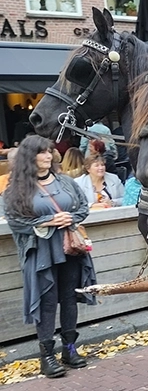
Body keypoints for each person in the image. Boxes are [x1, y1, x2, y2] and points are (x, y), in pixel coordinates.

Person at [1, 135, 96, 378]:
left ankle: (70, 349)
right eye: (41, 152)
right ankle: (47, 357)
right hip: (41, 252)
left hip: (69, 249)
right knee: (46, 302)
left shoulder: (65, 181)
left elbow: (83, 207)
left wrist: (71, 218)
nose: (48, 155)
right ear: (29, 157)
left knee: (69, 298)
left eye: (48, 151)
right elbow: (16, 222)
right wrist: (49, 220)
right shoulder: (17, 189)